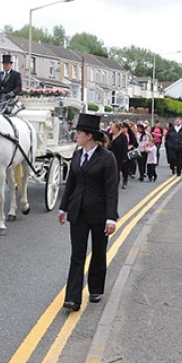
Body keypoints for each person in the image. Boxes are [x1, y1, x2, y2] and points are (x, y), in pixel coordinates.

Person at [58, 113, 120, 310]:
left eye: (79, 132)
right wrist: (63, 207)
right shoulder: (77, 155)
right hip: (78, 212)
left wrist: (111, 218)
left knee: (99, 253)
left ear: (89, 136)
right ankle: (72, 298)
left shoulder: (107, 158)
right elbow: (71, 184)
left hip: (100, 214)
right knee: (77, 254)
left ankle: (96, 289)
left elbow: (112, 189)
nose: (76, 135)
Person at [109, 121, 130, 189]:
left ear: (117, 128)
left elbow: (125, 147)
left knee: (117, 171)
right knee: (110, 171)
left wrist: (124, 158)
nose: (111, 129)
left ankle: (119, 183)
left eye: (112, 127)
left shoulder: (123, 136)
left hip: (119, 156)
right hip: (110, 156)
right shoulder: (109, 135)